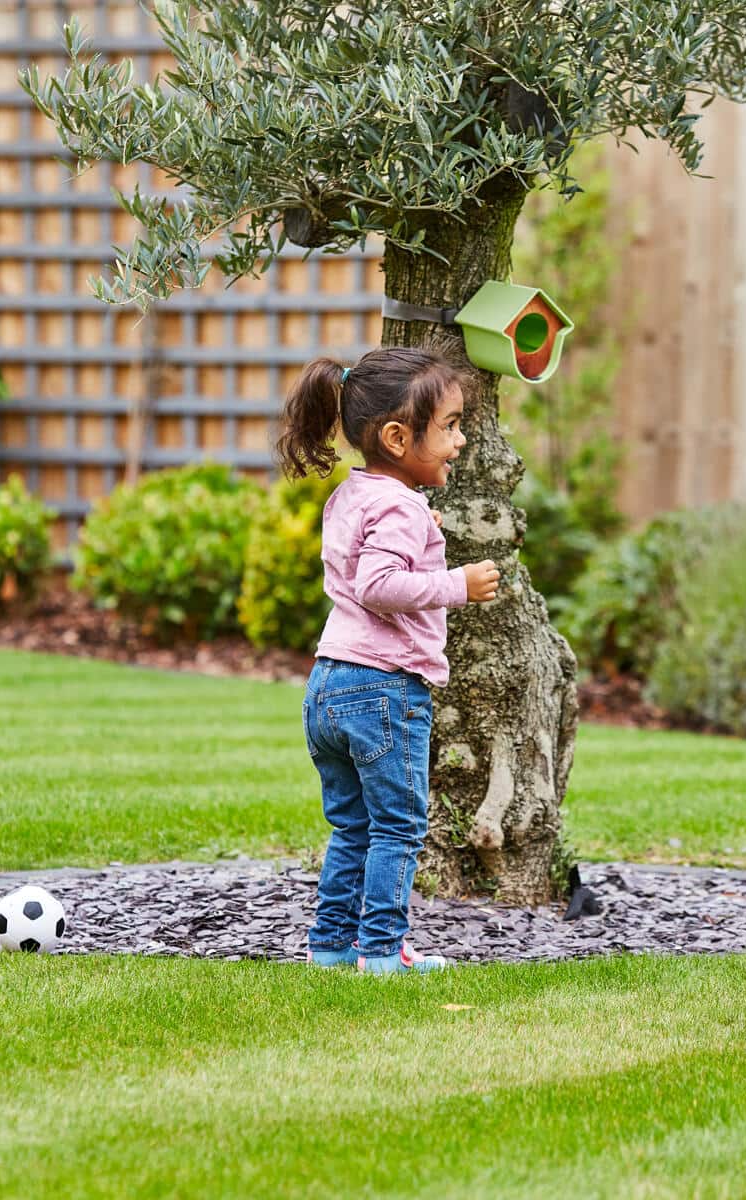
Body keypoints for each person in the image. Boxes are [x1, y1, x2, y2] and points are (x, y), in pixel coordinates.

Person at [275, 347, 500, 975]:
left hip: (328, 685)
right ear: (398, 438)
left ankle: (330, 945)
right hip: (382, 689)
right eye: (450, 427)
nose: (459, 441)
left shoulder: (353, 495)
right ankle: (381, 954)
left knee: (351, 828)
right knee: (397, 829)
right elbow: (378, 585)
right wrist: (456, 584)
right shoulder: (400, 507)